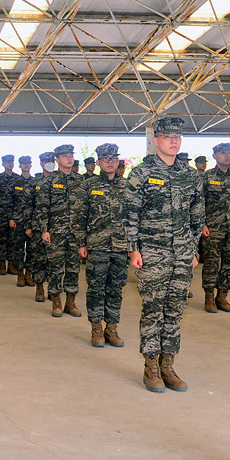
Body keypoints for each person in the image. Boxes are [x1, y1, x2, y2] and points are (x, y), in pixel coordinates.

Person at [124, 117, 203, 393]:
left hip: (182, 253)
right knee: (153, 310)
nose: (173, 140)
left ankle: (168, 364)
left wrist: (193, 248)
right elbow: (130, 212)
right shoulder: (141, 172)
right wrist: (133, 247)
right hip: (152, 253)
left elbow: (196, 214)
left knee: (175, 311)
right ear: (155, 140)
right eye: (168, 136)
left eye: (177, 137)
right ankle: (151, 366)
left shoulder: (190, 174)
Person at [75, 143, 128, 347]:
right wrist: (81, 243)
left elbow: (133, 218)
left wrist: (133, 245)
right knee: (96, 289)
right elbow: (79, 216)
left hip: (121, 247)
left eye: (113, 158)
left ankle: (111, 328)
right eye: (105, 159)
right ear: (97, 162)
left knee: (116, 289)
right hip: (97, 246)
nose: (110, 162)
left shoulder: (128, 186)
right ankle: (96, 327)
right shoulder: (88, 186)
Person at [34, 144, 83, 318]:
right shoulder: (49, 181)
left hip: (75, 233)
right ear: (57, 159)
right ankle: (56, 302)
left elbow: (85, 208)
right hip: (56, 232)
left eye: (70, 155)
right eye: (64, 156)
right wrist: (44, 229)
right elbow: (41, 208)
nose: (69, 158)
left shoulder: (81, 181)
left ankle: (71, 302)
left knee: (73, 268)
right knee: (55, 268)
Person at [199, 142, 230, 313]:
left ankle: (222, 296)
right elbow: (199, 203)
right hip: (213, 228)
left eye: (228, 153)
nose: (226, 156)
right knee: (212, 263)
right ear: (214, 156)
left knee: (229, 264)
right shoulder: (206, 177)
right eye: (222, 153)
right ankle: (209, 297)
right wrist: (202, 224)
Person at [30, 151, 55, 302]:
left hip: (57, 227)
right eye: (46, 160)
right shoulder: (35, 182)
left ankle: (53, 290)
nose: (49, 162)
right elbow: (28, 205)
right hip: (38, 227)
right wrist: (28, 226)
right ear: (41, 163)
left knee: (55, 261)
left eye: (52, 160)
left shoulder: (60, 180)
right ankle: (39, 287)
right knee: (39, 259)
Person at [9, 156, 36, 288]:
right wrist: (11, 218)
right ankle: (20, 274)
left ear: (31, 165)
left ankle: (29, 274)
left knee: (32, 249)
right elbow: (9, 201)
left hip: (32, 221)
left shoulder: (36, 182)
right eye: (23, 163)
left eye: (28, 163)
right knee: (18, 249)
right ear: (19, 166)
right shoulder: (15, 181)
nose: (26, 165)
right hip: (18, 220)